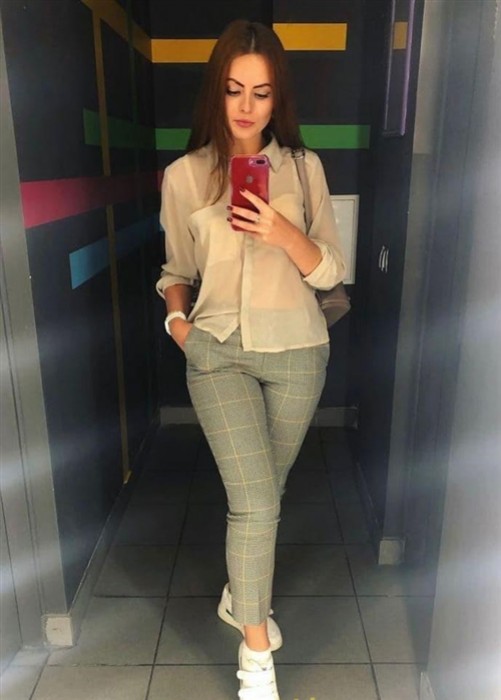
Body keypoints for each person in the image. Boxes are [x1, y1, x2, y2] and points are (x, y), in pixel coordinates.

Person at [156, 19, 346, 700]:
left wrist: (281, 231)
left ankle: (242, 595)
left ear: (277, 98)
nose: (245, 105)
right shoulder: (183, 176)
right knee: (256, 502)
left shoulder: (303, 169)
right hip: (216, 354)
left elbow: (330, 271)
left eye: (261, 93)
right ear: (217, 90)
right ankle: (256, 657)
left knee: (268, 494)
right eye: (234, 89)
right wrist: (180, 324)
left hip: (298, 352)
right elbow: (176, 269)